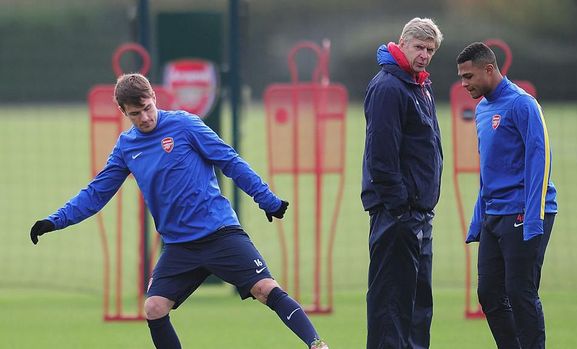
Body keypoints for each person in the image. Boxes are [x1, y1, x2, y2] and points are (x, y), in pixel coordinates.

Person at [29, 73, 328, 349]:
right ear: (124, 112)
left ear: (154, 98)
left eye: (147, 107)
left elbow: (230, 161)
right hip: (179, 246)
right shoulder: (126, 147)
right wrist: (55, 221)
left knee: (265, 288)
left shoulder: (185, 125)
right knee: (154, 308)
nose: (144, 117)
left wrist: (267, 199)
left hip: (220, 233)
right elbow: (96, 193)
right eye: (135, 113)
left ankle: (317, 344)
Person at [456, 42, 558, 349]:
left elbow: (539, 161)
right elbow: (488, 170)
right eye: (461, 77)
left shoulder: (522, 104)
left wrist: (532, 218)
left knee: (520, 292)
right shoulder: (483, 109)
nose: (464, 84)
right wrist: (478, 219)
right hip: (494, 215)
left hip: (524, 212)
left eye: (469, 76)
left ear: (489, 69)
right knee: (488, 293)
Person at [361, 17, 443, 349]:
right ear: (403, 42)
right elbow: (382, 156)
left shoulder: (418, 84)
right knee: (391, 307)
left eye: (430, 49)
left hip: (417, 215)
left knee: (416, 307)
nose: (424, 55)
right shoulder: (388, 87)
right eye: (419, 47)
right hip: (397, 216)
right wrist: (401, 208)